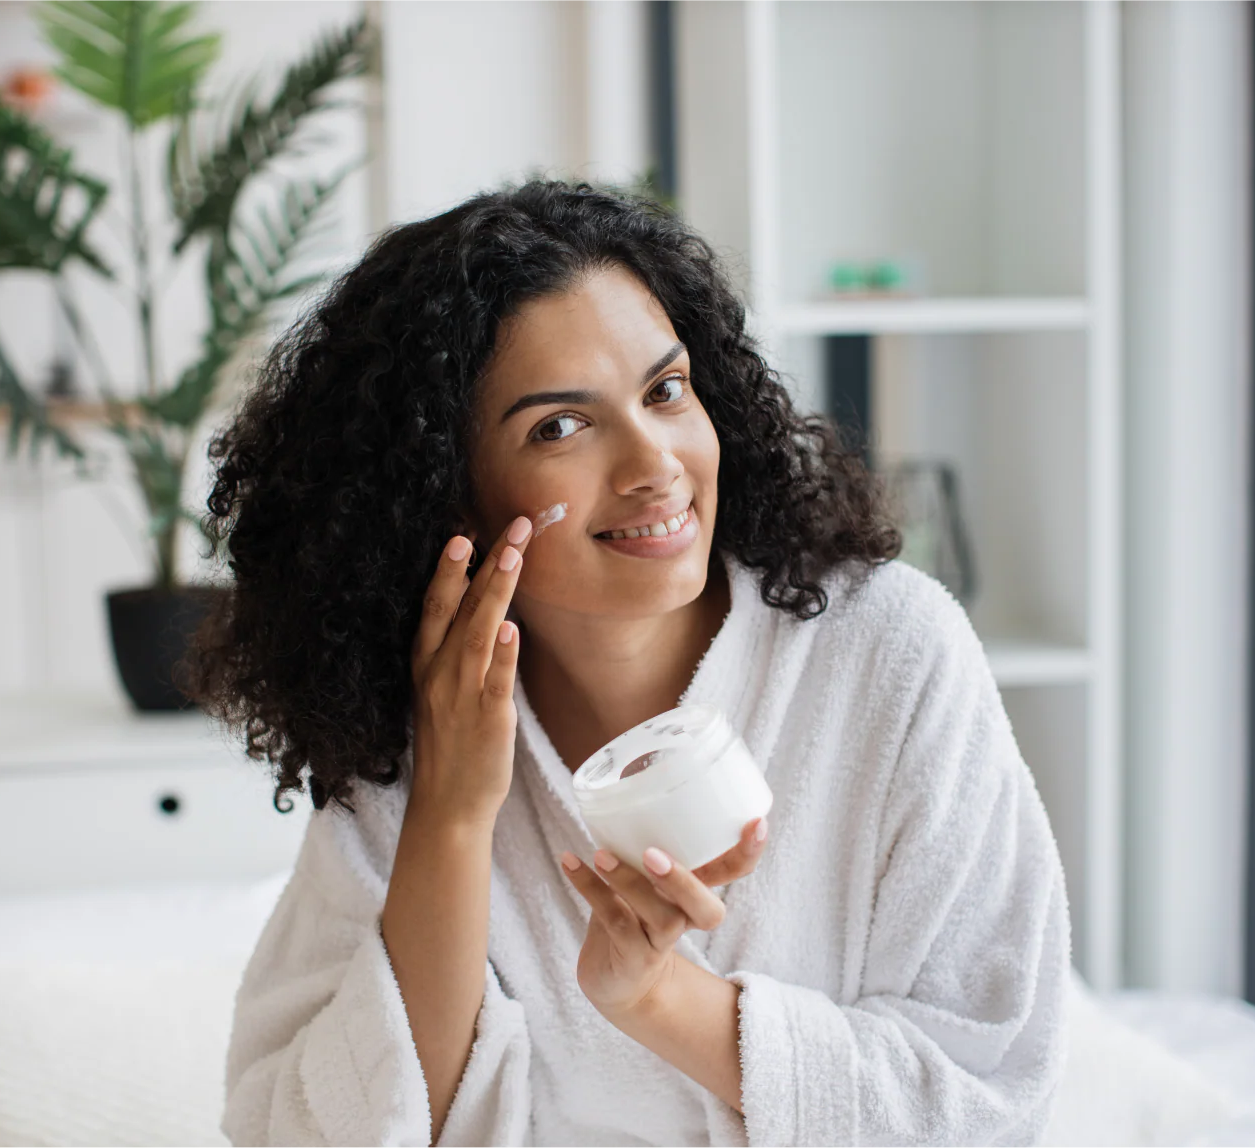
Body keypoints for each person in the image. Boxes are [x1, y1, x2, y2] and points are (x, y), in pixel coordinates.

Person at [185, 180, 1070, 1147]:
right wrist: (450, 814)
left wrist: (657, 998)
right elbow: (305, 1131)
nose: (655, 464)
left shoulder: (890, 654)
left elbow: (985, 1096)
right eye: (558, 427)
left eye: (665, 391)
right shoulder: (416, 733)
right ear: (443, 493)